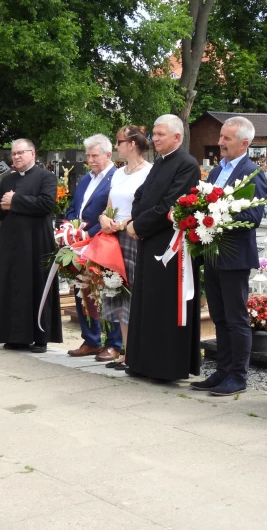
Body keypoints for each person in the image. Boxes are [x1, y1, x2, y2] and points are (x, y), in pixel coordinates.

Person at [189, 116, 266, 396]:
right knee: (219, 316)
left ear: (244, 143)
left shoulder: (253, 173)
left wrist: (219, 214)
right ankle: (222, 370)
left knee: (235, 318)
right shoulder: (215, 171)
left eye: (226, 138)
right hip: (212, 253)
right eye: (221, 136)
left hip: (234, 256)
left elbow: (253, 215)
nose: (220, 142)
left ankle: (237, 375)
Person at [125, 114, 202, 381]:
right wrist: (135, 220)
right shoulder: (160, 162)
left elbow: (172, 204)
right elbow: (140, 194)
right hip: (149, 239)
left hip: (169, 246)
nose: (154, 138)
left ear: (177, 137)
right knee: (147, 303)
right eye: (154, 134)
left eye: (160, 134)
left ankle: (164, 367)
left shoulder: (187, 165)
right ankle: (142, 361)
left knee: (164, 305)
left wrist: (139, 225)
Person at [0, 139, 63, 351]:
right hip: (12, 243)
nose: (17, 157)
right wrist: (3, 206)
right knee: (14, 286)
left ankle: (40, 338)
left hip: (36, 242)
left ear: (32, 154)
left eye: (21, 153)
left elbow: (46, 205)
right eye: (13, 154)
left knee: (37, 286)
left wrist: (15, 201)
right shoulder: (7, 180)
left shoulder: (46, 177)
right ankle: (15, 335)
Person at [98, 125, 153, 370]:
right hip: (113, 237)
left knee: (132, 290)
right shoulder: (119, 173)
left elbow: (145, 208)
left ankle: (136, 351)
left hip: (133, 236)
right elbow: (109, 205)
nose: (117, 145)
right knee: (116, 290)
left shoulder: (149, 172)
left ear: (132, 144)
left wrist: (126, 222)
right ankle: (125, 350)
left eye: (119, 142)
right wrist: (103, 219)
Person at [65, 134, 123, 361]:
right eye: (88, 155)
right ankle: (91, 340)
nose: (90, 160)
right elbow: (74, 206)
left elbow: (113, 213)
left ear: (108, 155)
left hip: (102, 242)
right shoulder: (85, 179)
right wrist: (70, 226)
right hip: (79, 242)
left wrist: (88, 232)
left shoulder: (116, 179)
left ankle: (113, 343)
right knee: (82, 290)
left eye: (95, 155)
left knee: (106, 291)